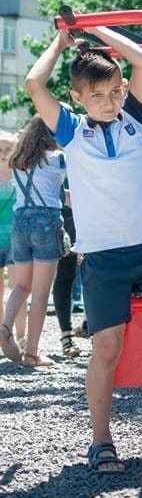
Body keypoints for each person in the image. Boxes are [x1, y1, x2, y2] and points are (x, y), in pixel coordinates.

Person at [24, 24, 142, 473]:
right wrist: (62, 43)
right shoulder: (70, 131)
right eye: (97, 95)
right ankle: (101, 440)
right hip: (102, 256)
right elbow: (33, 83)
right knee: (106, 346)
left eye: (114, 92)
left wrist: (95, 30)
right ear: (79, 98)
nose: (109, 101)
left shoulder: (137, 120)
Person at [0, 117, 66, 367]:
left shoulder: (18, 161)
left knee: (20, 286)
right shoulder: (58, 159)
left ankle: (4, 329)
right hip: (45, 222)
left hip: (20, 220)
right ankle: (32, 353)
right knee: (40, 292)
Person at [0, 130, 26, 351]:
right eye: (0, 148)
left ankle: (21, 337)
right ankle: (2, 334)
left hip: (17, 239)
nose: (3, 153)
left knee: (20, 287)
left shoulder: (22, 176)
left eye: (8, 148)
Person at [51, 193, 81, 358]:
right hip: (67, 207)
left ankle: (89, 328)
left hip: (90, 205)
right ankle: (66, 336)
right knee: (65, 274)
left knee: (95, 272)